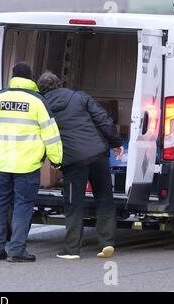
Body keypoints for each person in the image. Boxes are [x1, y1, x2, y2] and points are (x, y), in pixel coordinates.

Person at [0, 62, 63, 262]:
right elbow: (51, 134)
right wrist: (57, 161)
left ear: (12, 77)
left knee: (0, 205)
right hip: (27, 166)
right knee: (23, 206)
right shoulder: (37, 102)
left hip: (3, 164)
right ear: (31, 78)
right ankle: (16, 250)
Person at [37, 70, 124, 260]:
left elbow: (41, 137)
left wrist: (50, 160)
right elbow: (103, 119)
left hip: (72, 160)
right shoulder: (80, 97)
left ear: (40, 89)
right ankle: (107, 242)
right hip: (97, 153)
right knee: (104, 198)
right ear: (59, 84)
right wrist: (116, 142)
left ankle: (71, 249)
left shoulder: (41, 107)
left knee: (73, 203)